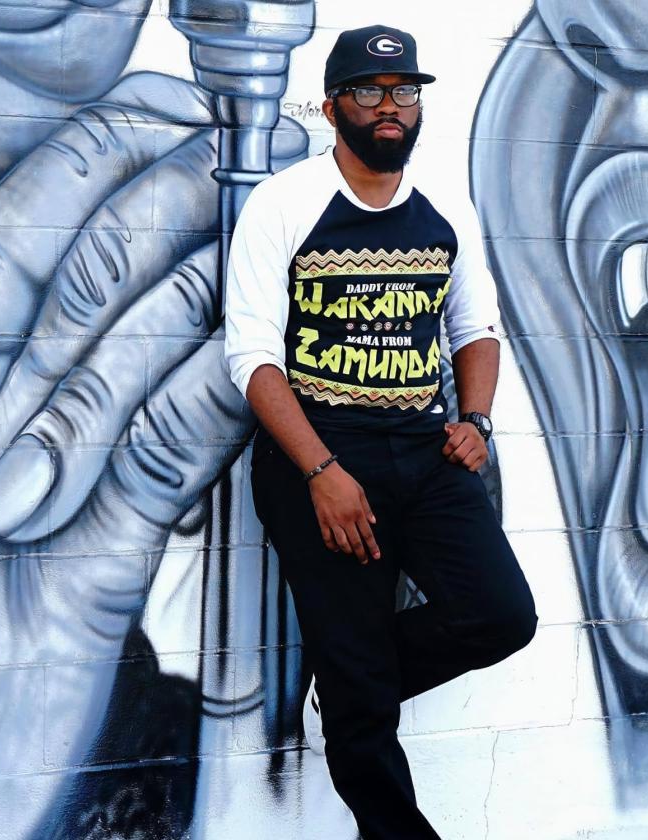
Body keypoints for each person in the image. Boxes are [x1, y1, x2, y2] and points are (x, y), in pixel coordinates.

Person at [223, 23, 539, 840]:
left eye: (403, 92)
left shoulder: (445, 213)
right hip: (320, 456)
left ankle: (355, 678)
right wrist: (322, 472)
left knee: (502, 615)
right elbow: (253, 358)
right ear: (334, 108)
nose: (390, 106)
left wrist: (476, 420)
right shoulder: (284, 204)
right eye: (369, 91)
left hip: (425, 451)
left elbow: (477, 328)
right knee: (367, 721)